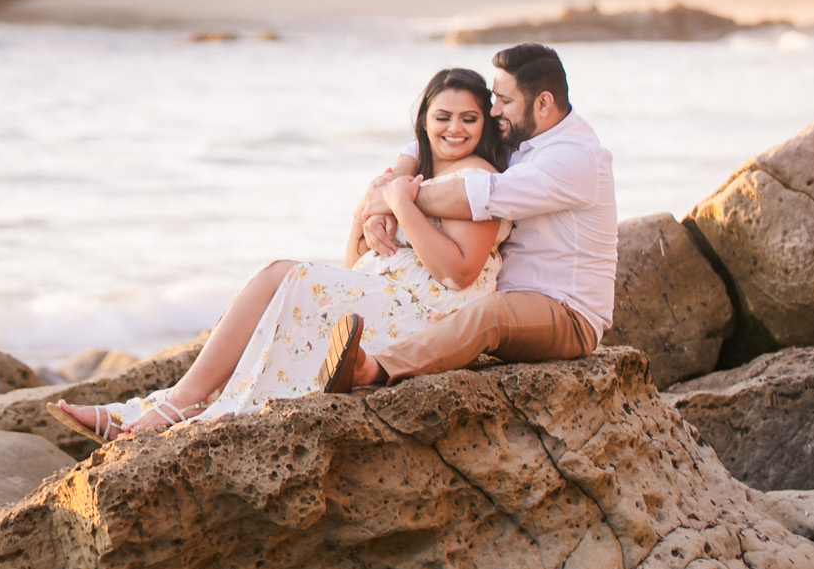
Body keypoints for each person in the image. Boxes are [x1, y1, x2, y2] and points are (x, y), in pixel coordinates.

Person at [50, 69, 513, 441]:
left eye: (468, 119)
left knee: (284, 276)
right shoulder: (416, 175)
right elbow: (354, 263)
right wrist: (369, 209)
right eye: (443, 117)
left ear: (483, 124)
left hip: (430, 317)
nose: (454, 128)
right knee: (280, 289)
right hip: (390, 298)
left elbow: (459, 272)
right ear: (424, 121)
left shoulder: (477, 178)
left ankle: (179, 406)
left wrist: (400, 206)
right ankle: (157, 406)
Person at [330, 42, 616, 390]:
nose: (495, 111)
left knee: (490, 316)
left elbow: (479, 196)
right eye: (494, 100)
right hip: (507, 298)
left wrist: (396, 200)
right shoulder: (521, 134)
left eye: (504, 101)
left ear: (543, 103)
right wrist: (388, 189)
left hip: (567, 312)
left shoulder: (574, 158)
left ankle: (374, 369)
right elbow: (426, 144)